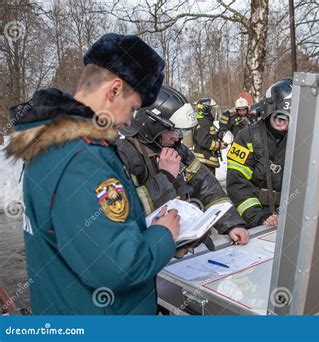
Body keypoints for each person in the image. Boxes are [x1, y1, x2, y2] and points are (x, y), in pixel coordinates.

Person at [5, 33, 180, 315]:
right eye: (132, 108)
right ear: (113, 90)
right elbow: (116, 266)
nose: (127, 121)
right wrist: (163, 235)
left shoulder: (51, 143)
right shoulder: (82, 158)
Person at [116, 85, 249, 246]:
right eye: (172, 130)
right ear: (152, 126)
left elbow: (207, 186)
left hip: (183, 244)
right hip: (148, 248)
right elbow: (129, 210)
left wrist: (232, 224)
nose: (177, 137)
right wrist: (166, 177)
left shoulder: (178, 150)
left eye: (180, 131)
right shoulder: (124, 155)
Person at [226, 78, 292, 228]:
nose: (285, 124)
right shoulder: (246, 137)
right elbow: (237, 184)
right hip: (257, 217)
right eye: (281, 117)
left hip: (294, 215)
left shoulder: (303, 137)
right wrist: (258, 217)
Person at [192, 98, 227, 174]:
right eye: (211, 109)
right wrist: (219, 145)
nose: (212, 112)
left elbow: (208, 136)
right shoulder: (203, 122)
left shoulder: (204, 120)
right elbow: (204, 141)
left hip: (206, 159)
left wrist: (218, 135)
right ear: (205, 109)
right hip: (204, 160)